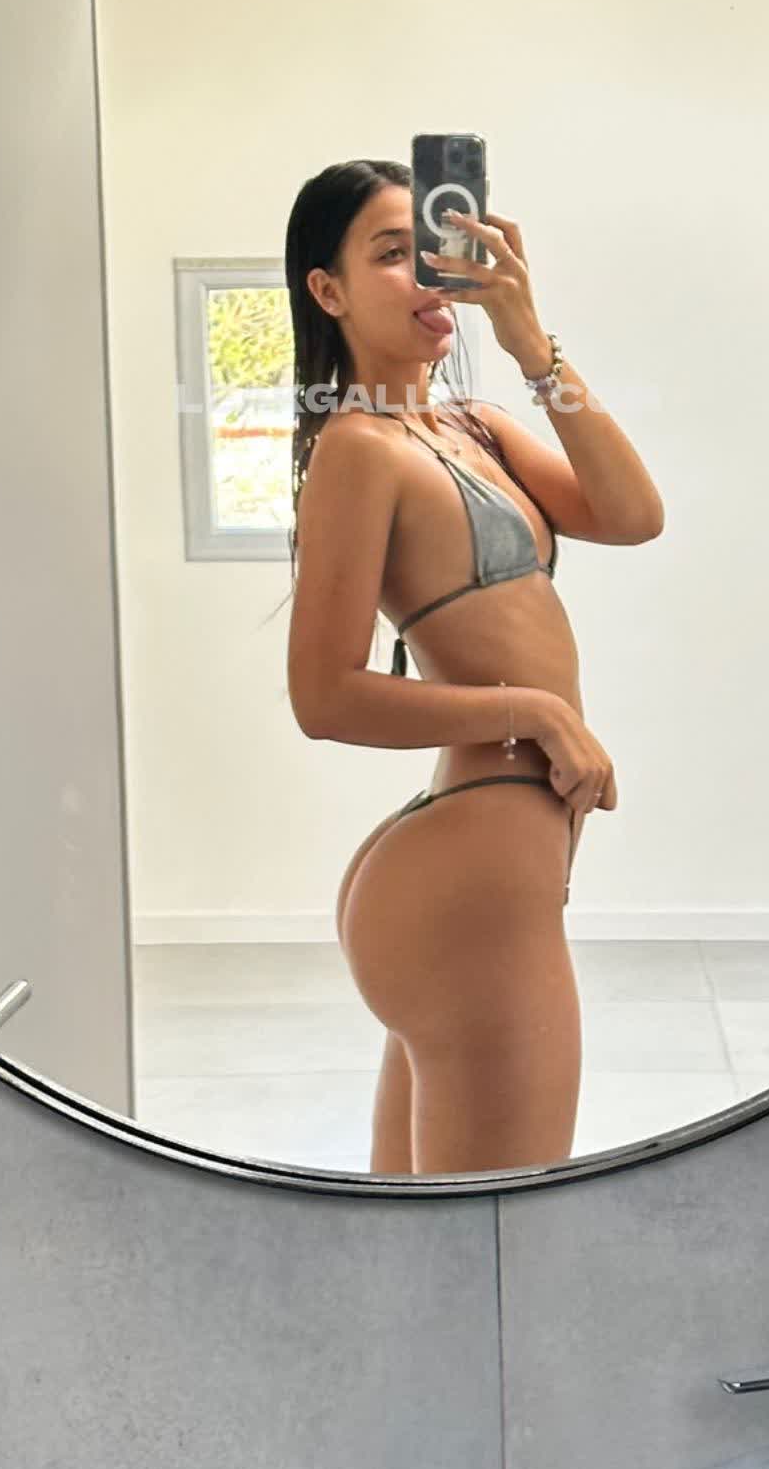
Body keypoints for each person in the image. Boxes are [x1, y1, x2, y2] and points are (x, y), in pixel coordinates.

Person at [281, 158, 664, 1174]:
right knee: (497, 1233)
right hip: (472, 884)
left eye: (431, 248)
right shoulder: (359, 448)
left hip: (475, 860)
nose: (424, 272)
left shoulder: (474, 424)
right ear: (328, 291)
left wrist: (531, 342)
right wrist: (535, 710)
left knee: (427, 1236)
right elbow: (323, 695)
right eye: (389, 253)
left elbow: (633, 513)